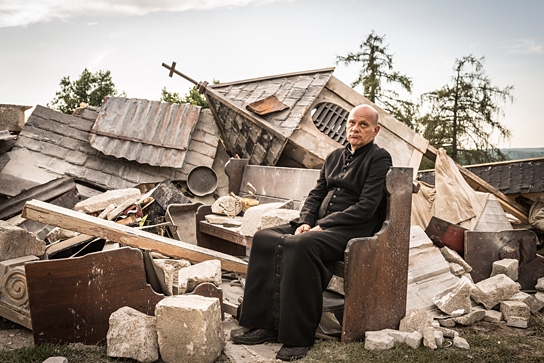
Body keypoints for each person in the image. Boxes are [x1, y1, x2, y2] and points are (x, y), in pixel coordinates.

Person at [230, 104, 392, 361]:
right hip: (318, 223)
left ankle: (297, 337)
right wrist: (306, 220)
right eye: (352, 123)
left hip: (351, 229)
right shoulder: (333, 157)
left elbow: (366, 207)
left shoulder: (379, 159)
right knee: (264, 239)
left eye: (363, 125)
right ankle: (263, 324)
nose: (355, 129)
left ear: (376, 130)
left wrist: (322, 225)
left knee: (299, 246)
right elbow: (316, 193)